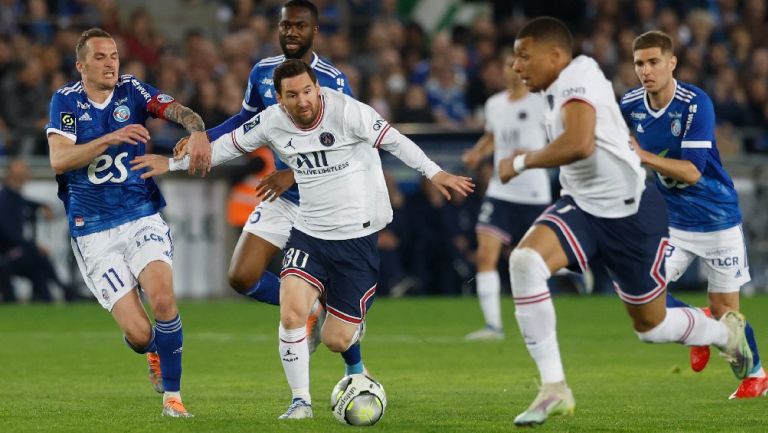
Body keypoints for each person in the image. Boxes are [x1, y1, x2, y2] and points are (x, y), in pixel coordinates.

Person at [131, 59, 474, 420]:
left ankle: (350, 356)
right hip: (309, 234)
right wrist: (170, 164)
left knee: (335, 339)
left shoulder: (348, 112)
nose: (303, 101)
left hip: (355, 239)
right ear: (279, 99)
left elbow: (395, 141)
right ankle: (300, 403)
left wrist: (436, 173)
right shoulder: (271, 121)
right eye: (292, 95)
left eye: (308, 91)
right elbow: (225, 147)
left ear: (318, 89)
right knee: (292, 310)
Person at [496, 17, 753, 426]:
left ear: (556, 55)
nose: (516, 67)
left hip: (633, 212)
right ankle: (553, 388)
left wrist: (521, 161)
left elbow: (580, 143)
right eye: (640, 63)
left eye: (524, 56)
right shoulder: (569, 94)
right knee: (524, 262)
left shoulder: (579, 75)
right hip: (582, 206)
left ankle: (725, 334)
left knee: (651, 327)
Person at [45, 28, 209, 418]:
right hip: (94, 229)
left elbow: (181, 112)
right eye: (100, 57)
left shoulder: (133, 91)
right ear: (80, 66)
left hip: (141, 215)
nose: (110, 63)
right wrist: (110, 138)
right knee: (138, 333)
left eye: (114, 55)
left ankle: (174, 398)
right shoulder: (65, 102)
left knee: (164, 298)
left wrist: (198, 131)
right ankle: (150, 350)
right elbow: (59, 160)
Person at [177, 0, 352, 351]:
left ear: (314, 31)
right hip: (282, 198)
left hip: (324, 200)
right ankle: (312, 310)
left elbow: (346, 146)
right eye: (286, 25)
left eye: (300, 26)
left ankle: (356, 370)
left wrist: (297, 174)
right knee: (242, 277)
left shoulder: (333, 82)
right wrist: (204, 136)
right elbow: (245, 122)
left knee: (343, 303)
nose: (291, 32)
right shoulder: (262, 72)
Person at [620, 30, 767, 399]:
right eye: (639, 63)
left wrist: (641, 156)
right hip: (670, 222)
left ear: (672, 63)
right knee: (641, 289)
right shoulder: (630, 104)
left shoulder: (695, 103)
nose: (646, 70)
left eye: (654, 62)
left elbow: (692, 170)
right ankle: (696, 323)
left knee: (727, 314)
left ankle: (756, 375)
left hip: (716, 216)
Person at [462, 49, 551, 340]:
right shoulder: (494, 104)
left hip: (534, 192)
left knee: (538, 261)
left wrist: (532, 154)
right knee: (485, 255)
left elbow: (559, 141)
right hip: (501, 191)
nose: (509, 70)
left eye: (515, 64)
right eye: (505, 65)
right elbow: (492, 137)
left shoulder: (541, 102)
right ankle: (493, 327)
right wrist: (477, 153)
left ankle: (572, 270)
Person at [0, 159, 84, 302]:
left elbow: (25, 202)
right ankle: (64, 292)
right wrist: (34, 247)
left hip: (14, 251)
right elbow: (10, 234)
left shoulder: (13, 197)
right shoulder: (6, 200)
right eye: (23, 170)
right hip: (6, 254)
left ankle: (47, 296)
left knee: (38, 265)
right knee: (39, 258)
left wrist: (41, 206)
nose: (27, 172)